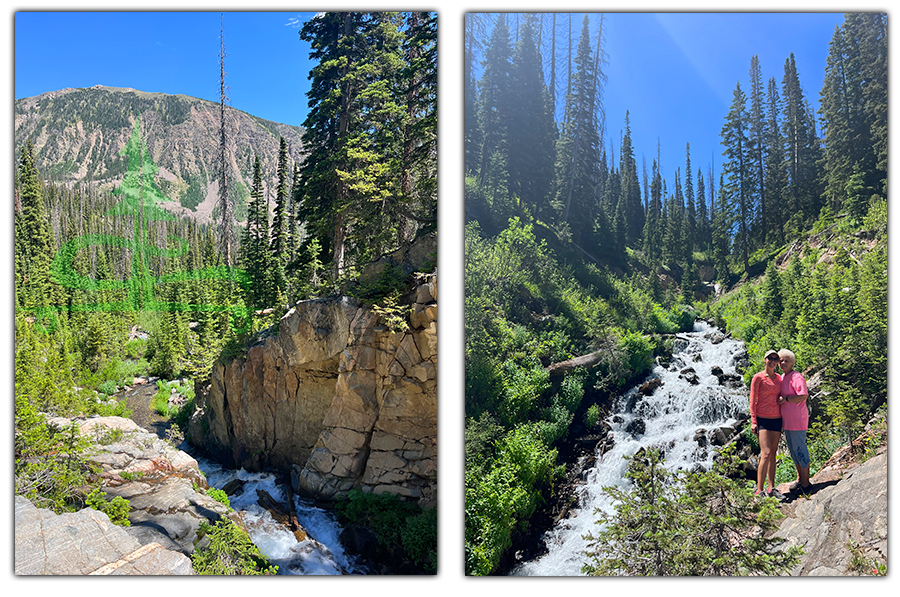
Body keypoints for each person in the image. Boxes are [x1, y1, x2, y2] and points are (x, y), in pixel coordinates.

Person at [749, 350, 783, 499]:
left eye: (776, 359)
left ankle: (771, 488)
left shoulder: (779, 379)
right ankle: (759, 490)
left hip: (777, 418)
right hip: (762, 419)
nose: (773, 361)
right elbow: (753, 400)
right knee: (766, 453)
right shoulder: (758, 377)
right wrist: (753, 421)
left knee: (773, 454)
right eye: (771, 358)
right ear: (765, 360)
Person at [777, 348, 812, 494]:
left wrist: (785, 399)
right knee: (793, 451)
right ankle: (799, 479)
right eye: (781, 360)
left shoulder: (796, 377)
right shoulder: (784, 377)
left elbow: (803, 395)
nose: (783, 363)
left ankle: (806, 483)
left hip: (797, 420)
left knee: (800, 450)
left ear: (792, 363)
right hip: (788, 422)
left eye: (786, 360)